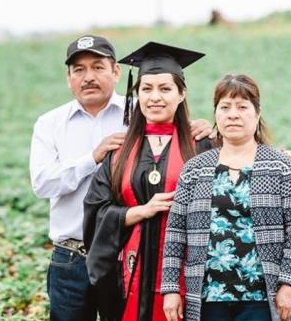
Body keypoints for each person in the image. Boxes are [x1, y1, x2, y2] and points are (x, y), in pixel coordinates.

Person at [30, 36, 213, 321]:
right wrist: (92, 158)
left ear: (116, 72)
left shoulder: (138, 117)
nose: (88, 76)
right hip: (76, 256)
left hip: (148, 261)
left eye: (98, 67)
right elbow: (42, 183)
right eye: (79, 69)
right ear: (68, 77)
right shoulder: (50, 124)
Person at [161, 74, 291, 321]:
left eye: (242, 107)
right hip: (208, 295)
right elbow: (176, 232)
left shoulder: (282, 166)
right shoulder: (195, 168)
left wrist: (289, 284)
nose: (233, 114)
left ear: (257, 114)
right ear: (216, 115)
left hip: (262, 297)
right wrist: (171, 289)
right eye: (225, 107)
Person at [83, 41, 213, 321]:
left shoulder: (202, 145)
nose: (155, 97)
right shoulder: (119, 151)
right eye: (146, 88)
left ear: (182, 94)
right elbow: (96, 210)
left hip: (187, 276)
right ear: (137, 93)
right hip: (129, 277)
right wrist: (138, 212)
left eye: (165, 89)